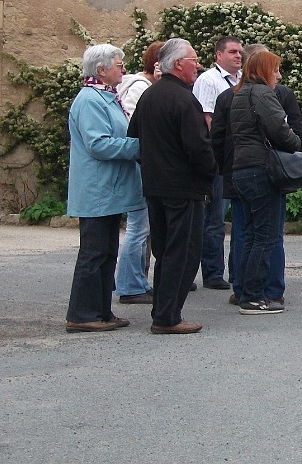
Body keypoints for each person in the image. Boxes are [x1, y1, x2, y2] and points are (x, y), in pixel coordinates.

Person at [128, 38, 215, 335]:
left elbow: (135, 136)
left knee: (165, 251)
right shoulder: (183, 99)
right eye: (193, 59)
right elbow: (199, 148)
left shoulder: (150, 96)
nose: (198, 64)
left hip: (155, 185)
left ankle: (162, 311)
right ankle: (168, 317)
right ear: (178, 64)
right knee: (184, 251)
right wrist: (210, 175)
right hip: (183, 187)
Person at [211, 43, 302, 307]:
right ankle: (260, 295)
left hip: (238, 172)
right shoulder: (264, 94)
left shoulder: (235, 94)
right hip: (261, 171)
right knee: (267, 236)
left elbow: (218, 140)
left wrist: (224, 170)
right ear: (264, 69)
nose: (279, 75)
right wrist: (295, 143)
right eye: (276, 69)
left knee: (247, 234)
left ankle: (243, 290)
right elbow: (282, 132)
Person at [65, 44, 143, 333]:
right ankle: (82, 313)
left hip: (108, 189)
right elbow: (98, 143)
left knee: (108, 252)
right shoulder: (89, 100)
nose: (123, 69)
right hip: (97, 189)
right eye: (119, 64)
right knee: (94, 252)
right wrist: (139, 146)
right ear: (101, 69)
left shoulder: (105, 97)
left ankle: (100, 310)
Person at [113, 40, 163, 305]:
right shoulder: (141, 88)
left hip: (139, 163)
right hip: (140, 165)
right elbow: (135, 127)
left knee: (141, 227)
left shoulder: (138, 85)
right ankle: (131, 285)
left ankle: (136, 282)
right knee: (138, 227)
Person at [191, 36, 244, 290]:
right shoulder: (208, 80)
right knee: (212, 218)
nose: (238, 56)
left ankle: (230, 272)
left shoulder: (241, 79)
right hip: (216, 157)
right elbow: (207, 119)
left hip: (236, 158)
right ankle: (211, 273)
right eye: (232, 52)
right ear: (218, 55)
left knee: (225, 217)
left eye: (240, 52)